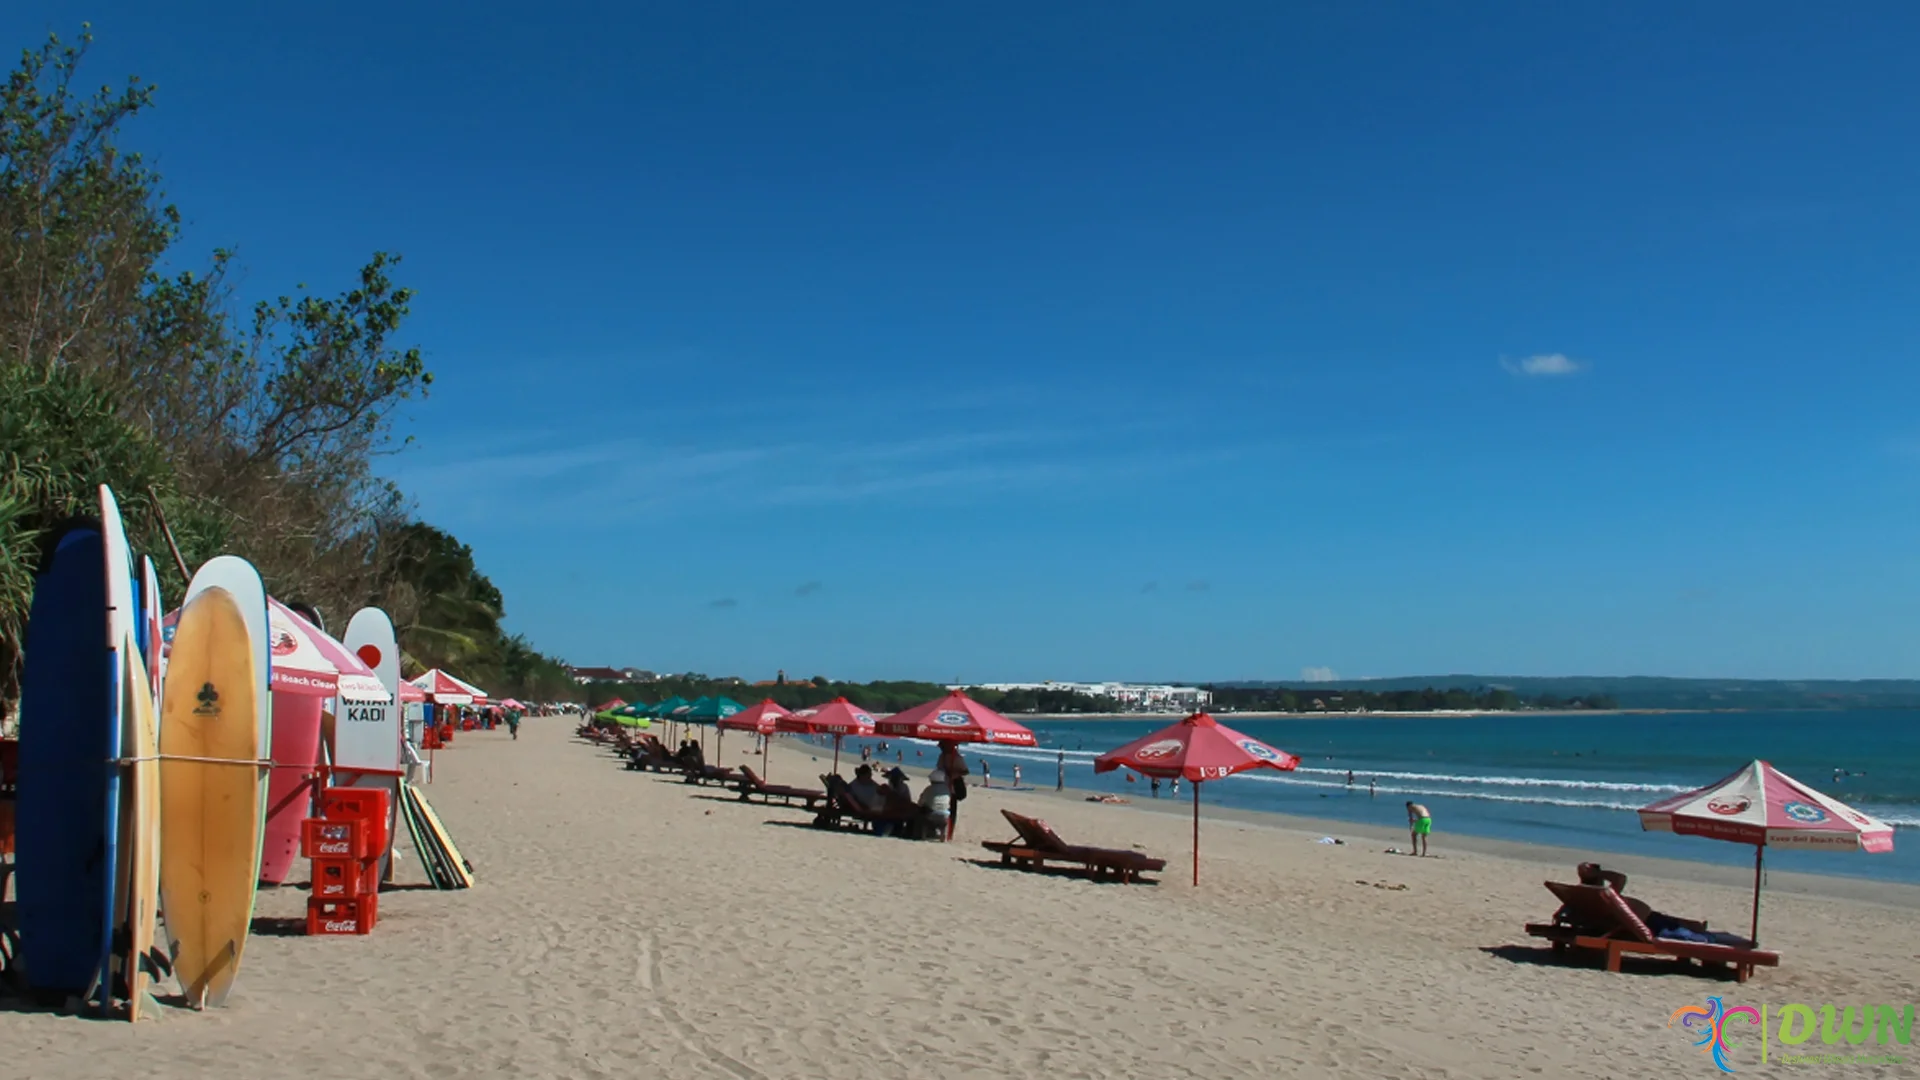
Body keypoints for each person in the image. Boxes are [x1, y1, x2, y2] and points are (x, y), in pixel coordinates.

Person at [936, 741, 969, 839]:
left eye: (942, 746)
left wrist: (953, 771)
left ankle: (950, 833)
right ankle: (944, 831)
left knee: (952, 811)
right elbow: (939, 768)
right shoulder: (942, 757)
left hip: (953, 787)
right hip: (944, 784)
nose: (941, 748)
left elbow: (966, 771)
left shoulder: (957, 757)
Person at [918, 769, 952, 841]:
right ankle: (942, 835)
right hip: (945, 814)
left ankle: (923, 835)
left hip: (932, 814)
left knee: (922, 813)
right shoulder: (946, 789)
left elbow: (921, 802)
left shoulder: (929, 789)